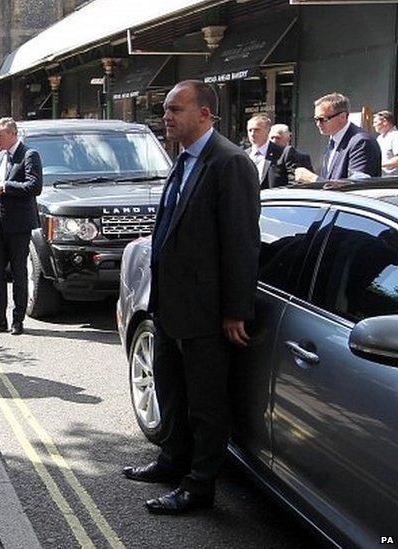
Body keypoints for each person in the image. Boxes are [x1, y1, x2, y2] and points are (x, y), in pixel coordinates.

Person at [122, 80, 260, 514]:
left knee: (206, 402)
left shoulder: (230, 163)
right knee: (172, 390)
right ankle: (172, 460)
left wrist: (236, 309)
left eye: (175, 109)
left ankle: (199, 486)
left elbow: (241, 241)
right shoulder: (183, 159)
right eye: (165, 109)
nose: (166, 117)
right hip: (169, 306)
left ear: (204, 114)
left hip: (206, 311)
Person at [0, 117, 43, 336]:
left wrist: (4, 186)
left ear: (12, 134)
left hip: (18, 225)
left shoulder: (29, 155)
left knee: (18, 272)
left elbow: (34, 186)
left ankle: (18, 319)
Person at [295, 92, 381, 182]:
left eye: (322, 119)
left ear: (342, 117)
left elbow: (356, 186)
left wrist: (313, 179)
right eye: (316, 119)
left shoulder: (361, 142)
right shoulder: (334, 140)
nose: (318, 124)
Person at [244, 114, 289, 188]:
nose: (252, 134)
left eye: (257, 130)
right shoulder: (244, 155)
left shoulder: (282, 153)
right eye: (250, 130)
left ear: (267, 131)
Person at [373, 110, 398, 175]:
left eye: (375, 122)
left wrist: (378, 165)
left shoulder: (395, 136)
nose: (373, 125)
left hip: (393, 180)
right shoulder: (379, 138)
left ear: (384, 121)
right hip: (381, 178)